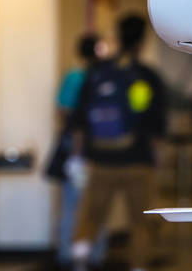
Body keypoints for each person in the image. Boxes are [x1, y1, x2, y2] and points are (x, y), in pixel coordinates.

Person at [69, 15, 166, 271]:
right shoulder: (146, 76)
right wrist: (157, 155)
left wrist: (79, 156)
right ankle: (139, 265)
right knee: (141, 220)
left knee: (91, 215)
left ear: (118, 37)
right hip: (137, 159)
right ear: (142, 41)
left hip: (100, 158)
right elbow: (155, 122)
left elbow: (78, 119)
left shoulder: (96, 72)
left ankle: (80, 258)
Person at [50, 34, 104, 268]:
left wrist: (73, 151)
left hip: (75, 151)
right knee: (97, 205)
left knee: (71, 205)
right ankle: (95, 254)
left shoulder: (74, 77)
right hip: (99, 150)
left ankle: (67, 254)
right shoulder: (102, 77)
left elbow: (64, 114)